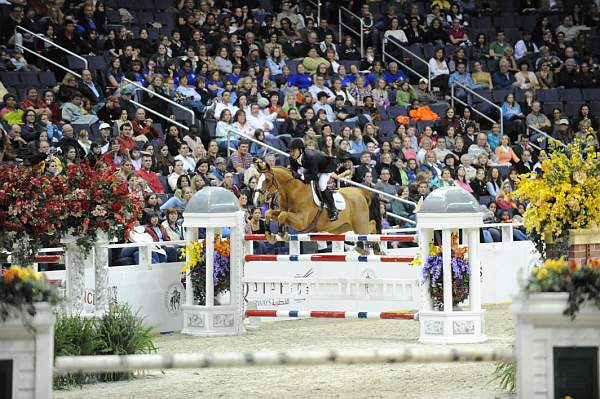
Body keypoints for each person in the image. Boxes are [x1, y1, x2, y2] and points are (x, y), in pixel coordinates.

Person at [289, 138, 338, 221]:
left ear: (301, 150)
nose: (292, 153)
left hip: (325, 168)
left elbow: (315, 176)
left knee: (321, 185)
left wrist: (301, 176)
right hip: (311, 168)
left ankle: (333, 209)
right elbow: (294, 172)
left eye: (294, 151)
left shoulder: (311, 157)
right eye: (291, 151)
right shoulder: (292, 158)